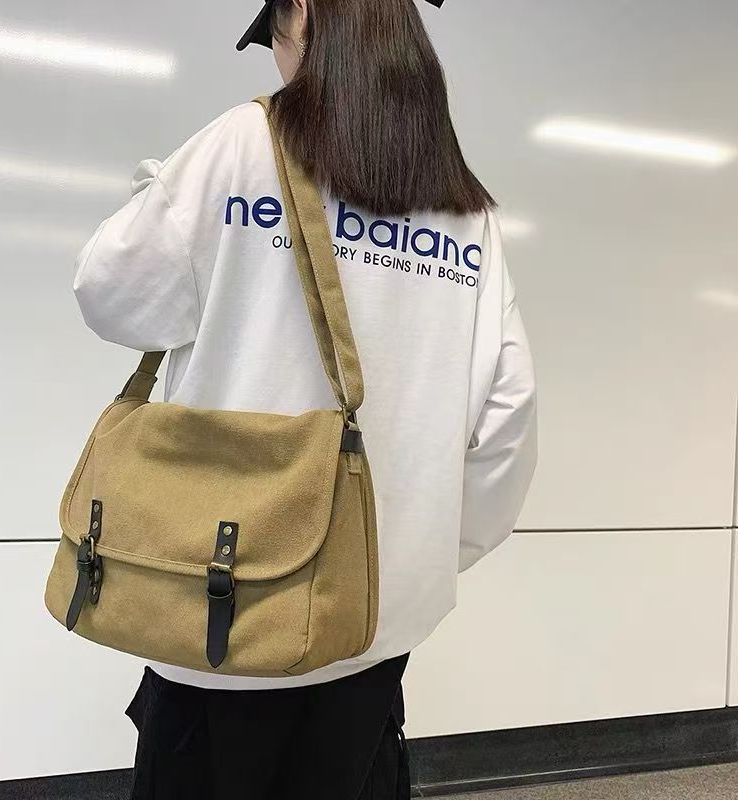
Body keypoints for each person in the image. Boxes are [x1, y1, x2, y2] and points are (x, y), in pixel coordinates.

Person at [71, 0, 538, 797]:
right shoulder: (461, 204)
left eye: (275, 38)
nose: (278, 62)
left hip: (220, 614)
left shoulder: (242, 142)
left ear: (303, 13)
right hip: (374, 632)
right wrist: (407, 552)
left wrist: (158, 192)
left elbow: (111, 297)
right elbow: (508, 413)